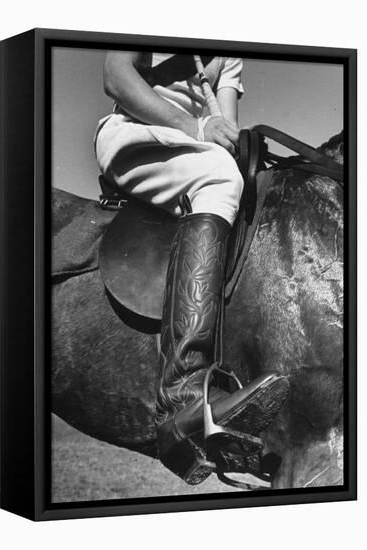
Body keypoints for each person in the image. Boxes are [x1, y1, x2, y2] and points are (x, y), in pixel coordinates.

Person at [95, 52, 288, 484]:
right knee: (222, 179)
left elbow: (225, 121)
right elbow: (115, 75)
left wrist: (232, 141)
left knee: (247, 191)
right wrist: (198, 129)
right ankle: (183, 392)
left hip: (193, 150)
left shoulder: (229, 53)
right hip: (136, 137)